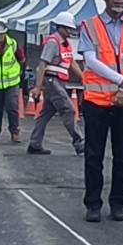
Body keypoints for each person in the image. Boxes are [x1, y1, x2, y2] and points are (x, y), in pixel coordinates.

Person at [76, 0, 123, 223]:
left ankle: (118, 203)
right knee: (94, 156)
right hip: (97, 101)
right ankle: (93, 204)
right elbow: (90, 60)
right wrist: (120, 80)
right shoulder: (90, 25)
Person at [27, 11, 85, 157]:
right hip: (52, 81)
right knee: (69, 110)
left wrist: (84, 78)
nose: (71, 31)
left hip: (59, 82)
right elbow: (42, 65)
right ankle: (80, 144)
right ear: (61, 27)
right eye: (68, 28)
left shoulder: (65, 44)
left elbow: (71, 62)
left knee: (46, 113)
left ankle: (35, 144)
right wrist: (38, 87)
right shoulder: (53, 42)